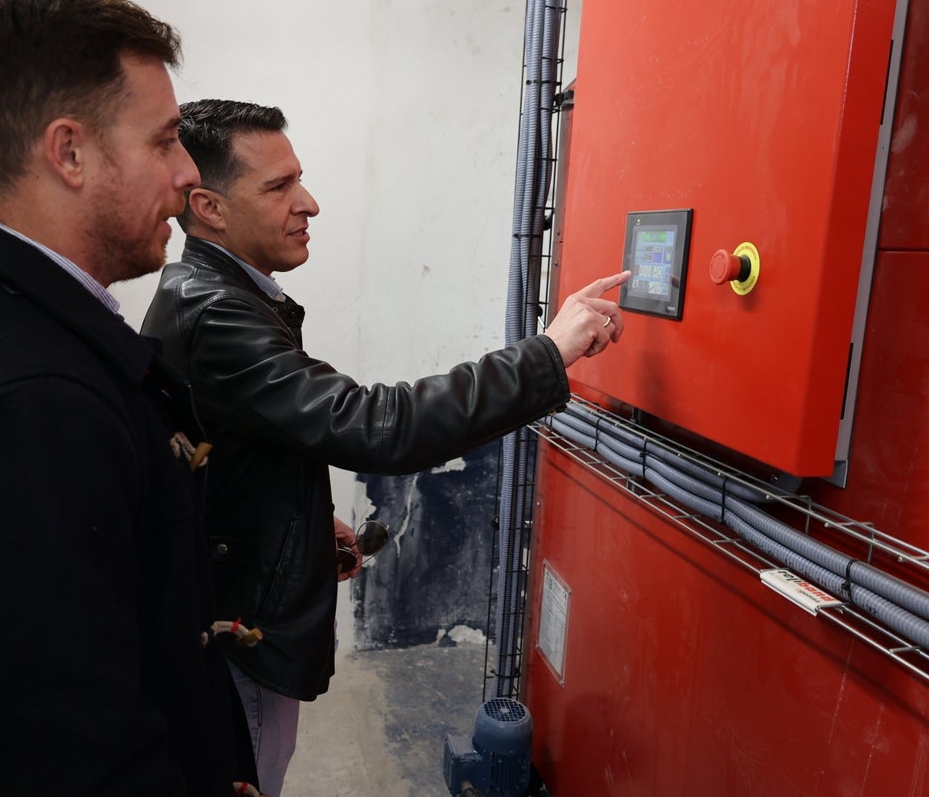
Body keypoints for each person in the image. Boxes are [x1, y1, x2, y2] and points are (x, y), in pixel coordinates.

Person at [141, 98, 630, 795]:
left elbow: (239, 453)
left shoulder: (225, 294)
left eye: (299, 179)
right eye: (278, 187)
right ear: (209, 208)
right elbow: (378, 426)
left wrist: (304, 526)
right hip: (236, 636)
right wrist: (547, 355)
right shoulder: (216, 311)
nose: (307, 203)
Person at [0, 0, 257, 796]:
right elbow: (79, 761)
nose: (185, 176)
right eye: (166, 141)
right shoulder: (28, 405)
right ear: (68, 152)